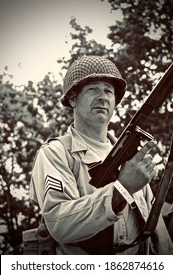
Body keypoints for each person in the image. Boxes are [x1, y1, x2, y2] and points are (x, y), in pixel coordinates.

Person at [30, 55, 173, 255]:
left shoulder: (131, 156)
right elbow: (60, 225)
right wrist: (122, 189)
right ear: (73, 98)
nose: (102, 97)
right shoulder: (56, 153)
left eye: (108, 91)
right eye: (92, 89)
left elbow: (155, 225)